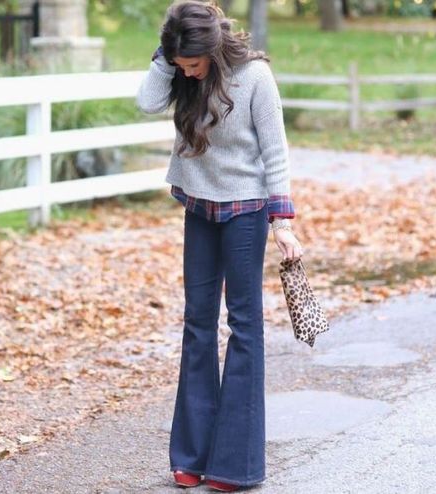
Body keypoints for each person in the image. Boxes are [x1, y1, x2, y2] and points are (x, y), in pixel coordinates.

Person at [136, 1, 304, 491]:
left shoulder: (254, 77)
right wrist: (167, 56)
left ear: (212, 50)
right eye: (181, 65)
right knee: (197, 322)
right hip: (199, 206)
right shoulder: (181, 71)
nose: (187, 73)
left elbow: (275, 150)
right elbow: (147, 101)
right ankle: (191, 456)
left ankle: (235, 464)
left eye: (193, 64)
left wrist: (282, 222)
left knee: (244, 325)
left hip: (246, 210)